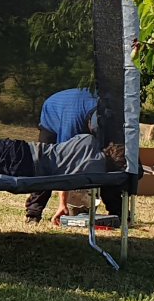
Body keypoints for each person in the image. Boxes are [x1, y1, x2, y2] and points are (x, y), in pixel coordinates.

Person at [25, 88, 99, 223]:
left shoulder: (109, 111)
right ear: (88, 125)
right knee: (45, 166)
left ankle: (119, 214)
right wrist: (62, 204)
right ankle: (33, 213)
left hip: (76, 103)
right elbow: (62, 163)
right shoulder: (72, 124)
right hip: (53, 111)